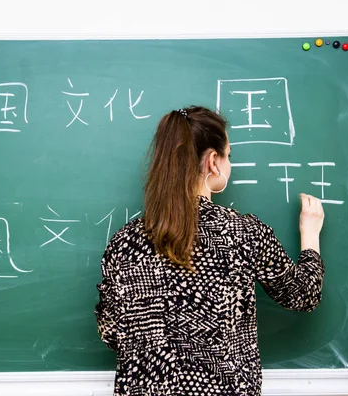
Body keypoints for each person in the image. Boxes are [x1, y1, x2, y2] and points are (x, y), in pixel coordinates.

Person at [94, 106, 325, 396]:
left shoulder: (124, 244)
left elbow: (112, 331)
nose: (229, 164)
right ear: (213, 161)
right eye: (228, 155)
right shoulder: (242, 233)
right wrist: (310, 233)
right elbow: (302, 295)